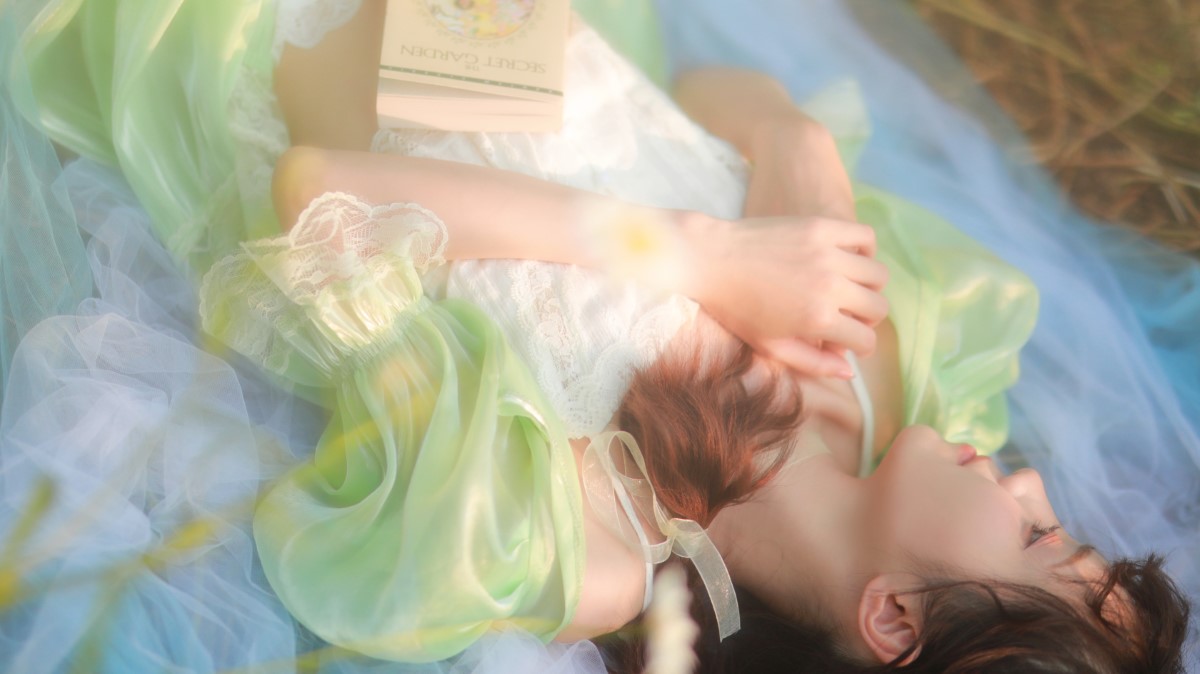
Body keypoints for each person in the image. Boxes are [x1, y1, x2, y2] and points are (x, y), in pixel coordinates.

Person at [1, 1, 1194, 673]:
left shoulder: (593, 536)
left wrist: (698, 256)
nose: (1031, 478)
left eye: (1037, 532)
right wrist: (797, 150)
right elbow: (697, 96)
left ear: (893, 617)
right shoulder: (882, 371)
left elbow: (322, 196)